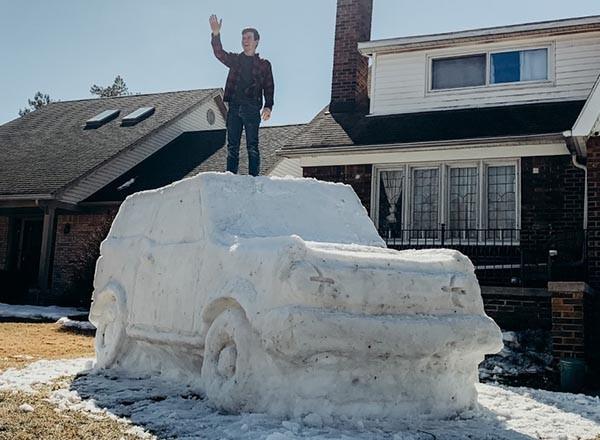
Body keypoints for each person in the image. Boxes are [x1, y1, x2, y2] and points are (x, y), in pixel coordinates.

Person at [209, 14, 274, 177]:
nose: (245, 41)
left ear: (256, 41)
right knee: (232, 147)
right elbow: (219, 53)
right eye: (243, 38)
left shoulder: (264, 64)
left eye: (248, 38)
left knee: (252, 145)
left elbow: (269, 86)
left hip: (252, 108)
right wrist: (216, 34)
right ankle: (231, 179)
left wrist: (268, 106)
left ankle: (254, 179)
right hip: (234, 107)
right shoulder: (235, 60)